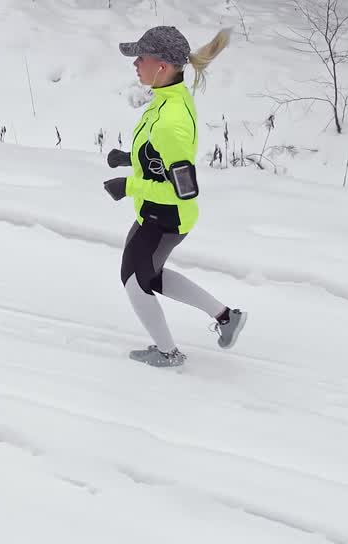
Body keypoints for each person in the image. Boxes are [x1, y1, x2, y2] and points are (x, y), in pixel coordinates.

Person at [103, 25, 246, 368]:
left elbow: (184, 189)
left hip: (165, 217)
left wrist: (129, 186)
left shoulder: (172, 120)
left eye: (141, 57)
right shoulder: (169, 98)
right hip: (155, 212)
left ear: (163, 67)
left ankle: (168, 353)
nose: (135, 63)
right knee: (149, 275)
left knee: (135, 281)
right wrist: (130, 158)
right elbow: (160, 157)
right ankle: (226, 317)